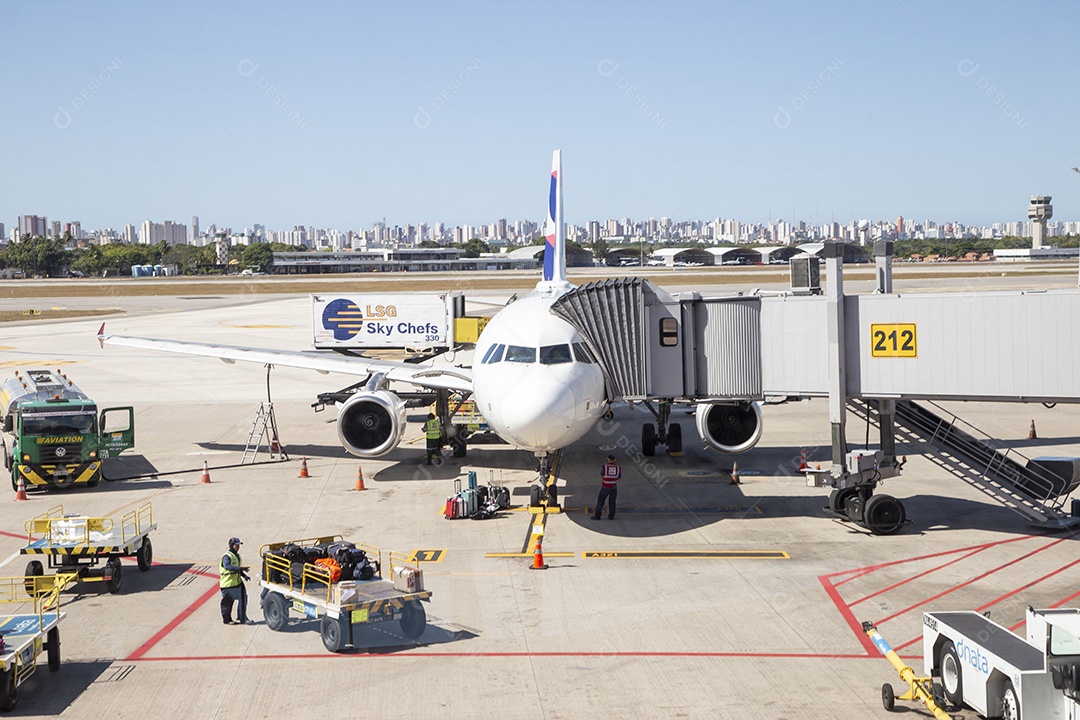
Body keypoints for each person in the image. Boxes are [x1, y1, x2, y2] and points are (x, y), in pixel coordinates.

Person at [220, 536, 252, 625]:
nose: (238, 547)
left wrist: (244, 576)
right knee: (227, 603)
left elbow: (237, 569)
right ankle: (227, 619)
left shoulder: (237, 556)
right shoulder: (227, 556)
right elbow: (227, 567)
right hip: (228, 584)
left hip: (237, 582)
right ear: (231, 545)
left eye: (239, 545)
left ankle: (242, 617)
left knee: (243, 599)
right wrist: (241, 568)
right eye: (236, 545)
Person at [593, 454, 620, 520]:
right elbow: (619, 477)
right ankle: (611, 516)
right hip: (614, 487)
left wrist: (606, 480)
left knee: (600, 501)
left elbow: (602, 474)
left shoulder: (605, 467)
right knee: (612, 502)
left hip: (605, 487)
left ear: (608, 460)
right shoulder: (618, 468)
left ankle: (597, 516)